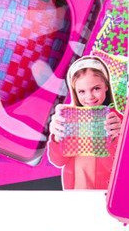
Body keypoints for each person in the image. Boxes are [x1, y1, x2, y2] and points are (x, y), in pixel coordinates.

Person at [47, 56, 123, 190]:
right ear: (75, 92)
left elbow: (118, 168)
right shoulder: (68, 119)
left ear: (106, 86)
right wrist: (57, 138)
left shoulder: (117, 121)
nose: (89, 97)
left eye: (96, 88)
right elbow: (58, 161)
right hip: (76, 191)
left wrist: (115, 137)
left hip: (105, 193)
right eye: (82, 91)